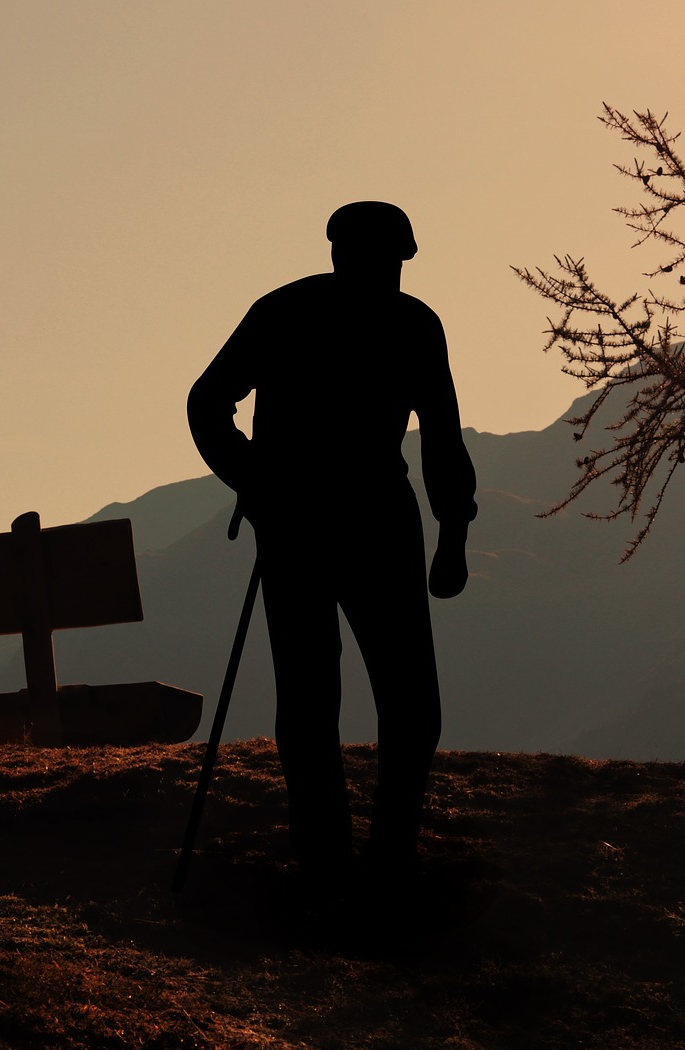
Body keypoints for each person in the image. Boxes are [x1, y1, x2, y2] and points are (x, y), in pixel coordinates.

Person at [187, 200, 476, 884]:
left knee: (337, 699)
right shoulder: (406, 323)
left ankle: (348, 860)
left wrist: (253, 477)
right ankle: (364, 859)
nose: (391, 272)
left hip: (310, 524)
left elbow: (208, 403)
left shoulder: (290, 312)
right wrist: (452, 532)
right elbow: (441, 439)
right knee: (375, 700)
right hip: (355, 521)